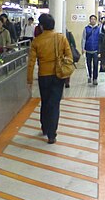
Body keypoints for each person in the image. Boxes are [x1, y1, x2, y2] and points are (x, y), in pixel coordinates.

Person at [27, 13, 73, 144]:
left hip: (44, 76)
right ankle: (52, 135)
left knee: (45, 102)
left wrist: (29, 80)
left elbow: (31, 62)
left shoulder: (37, 41)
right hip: (58, 75)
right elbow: (69, 57)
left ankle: (45, 127)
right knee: (54, 104)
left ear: (41, 26)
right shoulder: (61, 38)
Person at [81, 15, 100, 86]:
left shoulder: (98, 29)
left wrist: (100, 50)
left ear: (96, 20)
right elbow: (83, 39)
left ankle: (95, 78)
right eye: (91, 19)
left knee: (95, 65)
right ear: (89, 20)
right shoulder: (86, 29)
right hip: (88, 50)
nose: (93, 20)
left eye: (94, 19)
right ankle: (89, 76)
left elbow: (100, 40)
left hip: (96, 50)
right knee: (88, 64)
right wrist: (83, 48)